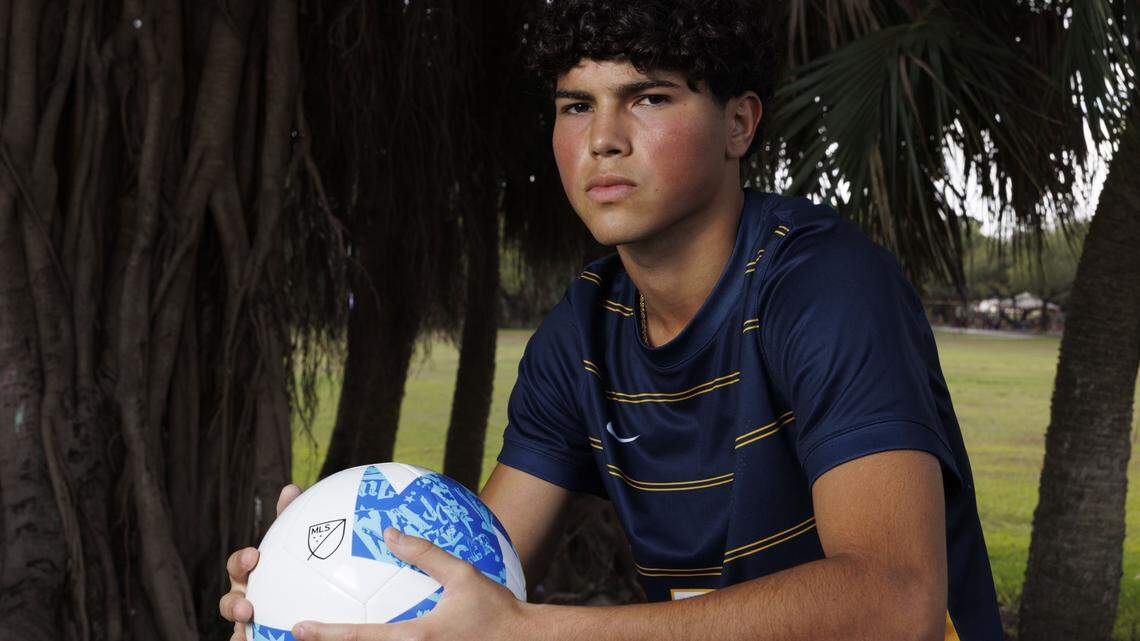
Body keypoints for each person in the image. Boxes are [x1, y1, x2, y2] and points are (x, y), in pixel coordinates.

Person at [220, 1, 1003, 639]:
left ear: (739, 124)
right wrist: (331, 572)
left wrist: (535, 631)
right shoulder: (580, 336)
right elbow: (478, 571)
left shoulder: (826, 289)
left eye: (648, 97)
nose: (602, 140)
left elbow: (894, 602)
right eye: (576, 105)